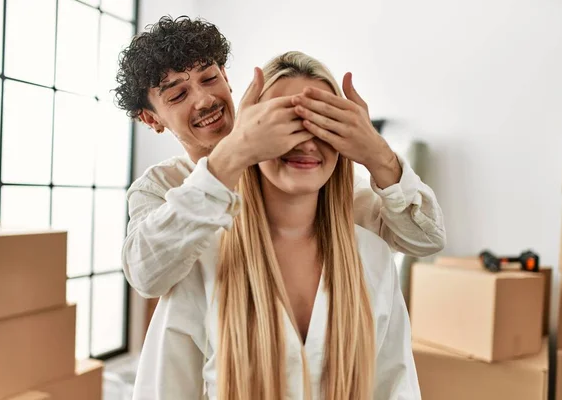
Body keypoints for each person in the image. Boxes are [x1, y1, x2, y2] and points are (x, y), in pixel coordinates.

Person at [132, 51, 420, 400]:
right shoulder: (197, 256)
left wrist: (377, 153)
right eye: (287, 123)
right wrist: (231, 156)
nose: (306, 140)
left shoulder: (373, 256)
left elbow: (396, 387)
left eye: (322, 122)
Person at [114, 15, 446, 299]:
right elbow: (147, 276)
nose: (204, 100)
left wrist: (378, 155)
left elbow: (425, 240)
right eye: (178, 94)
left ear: (227, 78)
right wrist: (231, 159)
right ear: (150, 118)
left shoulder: (300, 172)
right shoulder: (159, 188)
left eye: (210, 78)